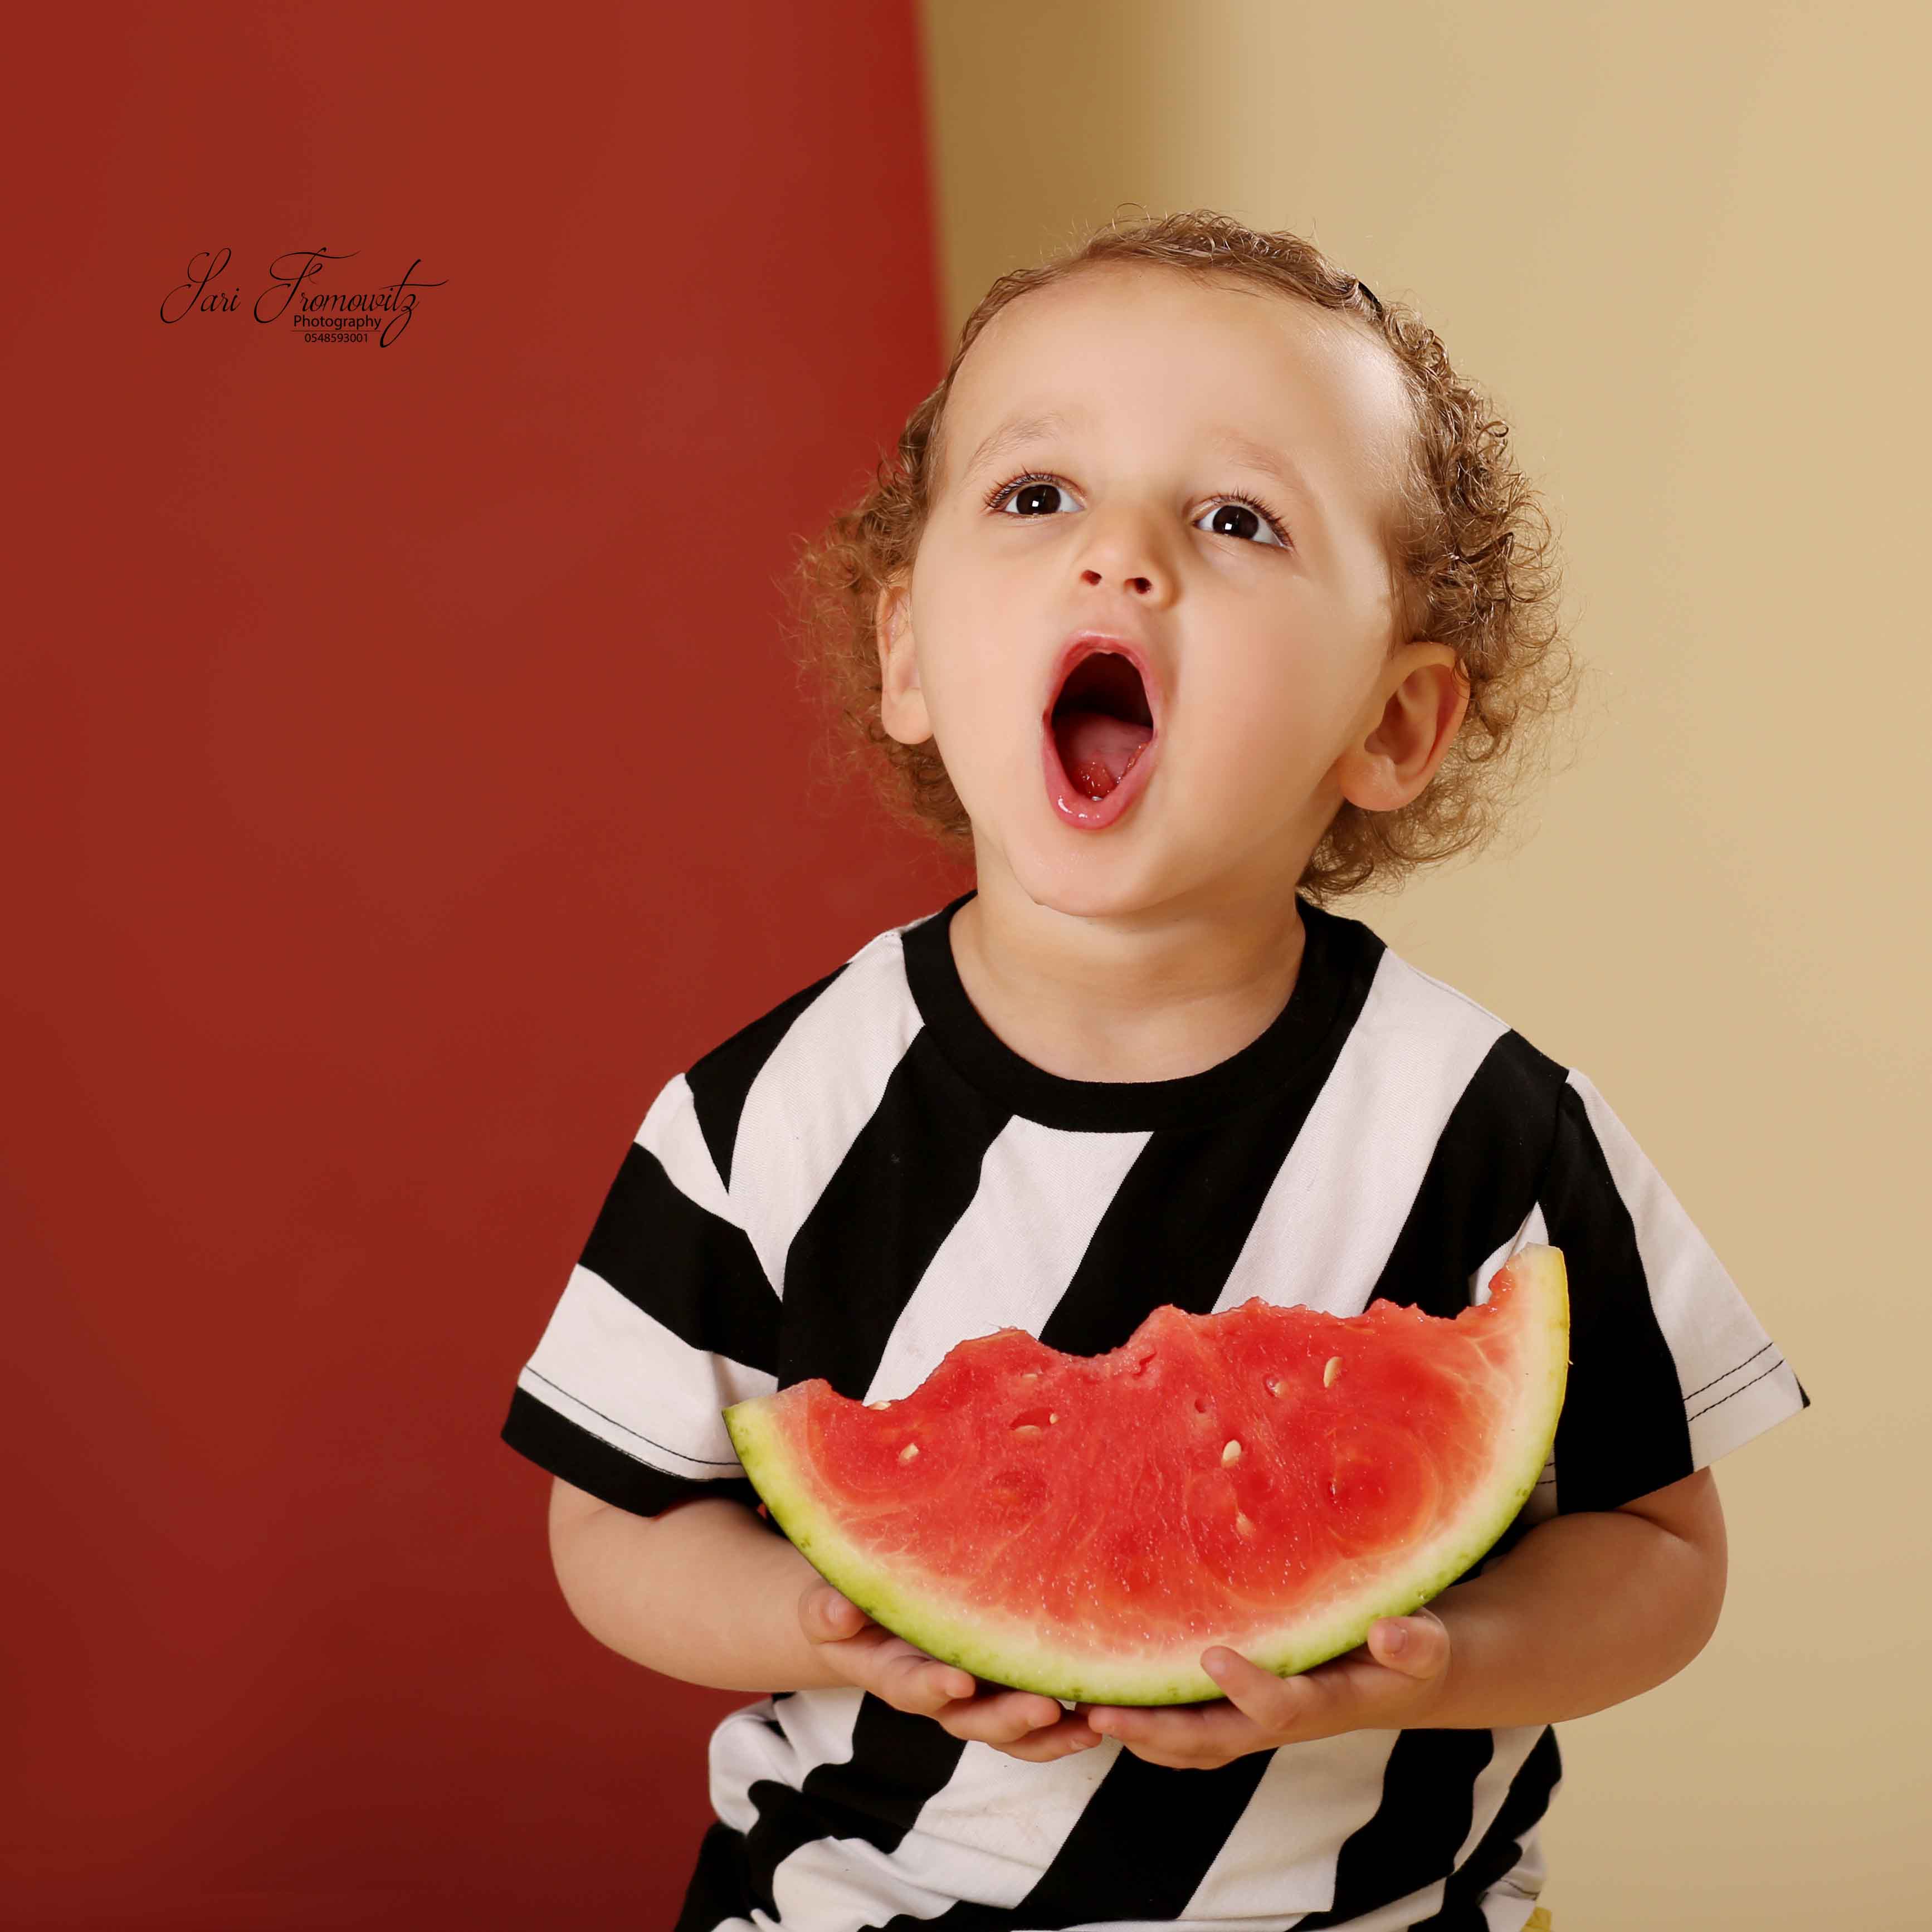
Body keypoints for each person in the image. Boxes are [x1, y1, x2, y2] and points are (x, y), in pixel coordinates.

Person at [499, 209, 1807, 1931]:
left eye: (1234, 518)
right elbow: (611, 1523)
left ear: (1392, 722)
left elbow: (1659, 1555)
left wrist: (1436, 1651)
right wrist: (821, 1619)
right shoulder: (763, 1115)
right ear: (908, 655)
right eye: (1036, 494)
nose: (1117, 557)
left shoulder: (1485, 1126)